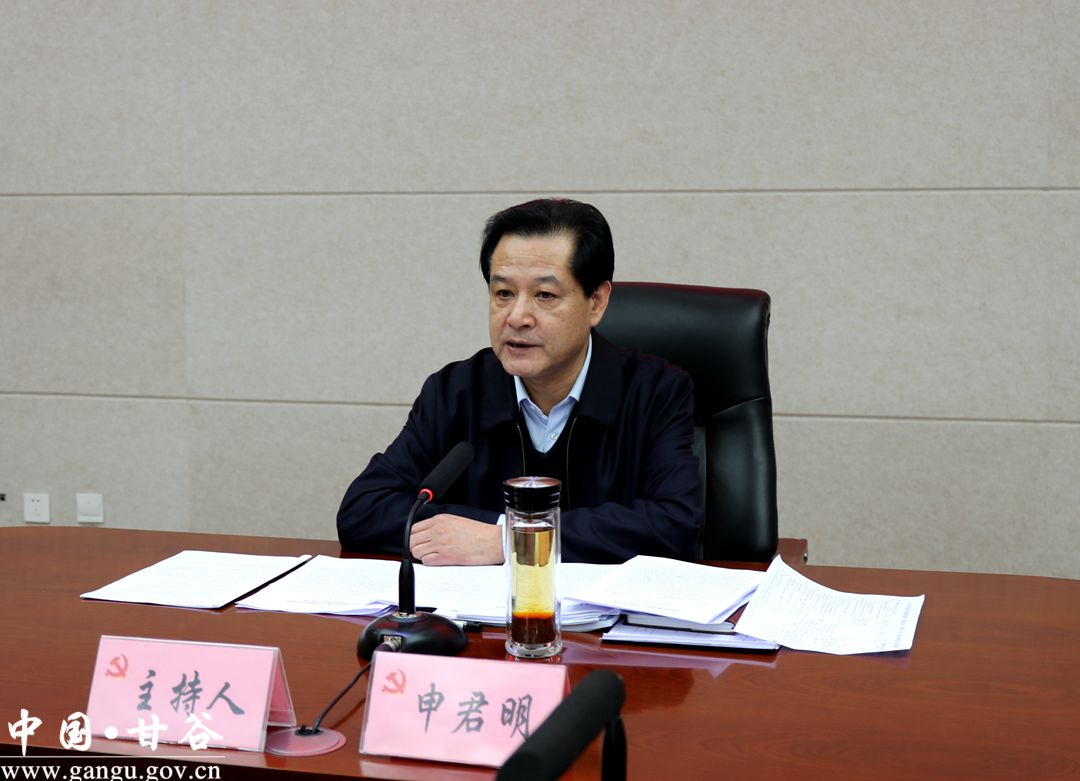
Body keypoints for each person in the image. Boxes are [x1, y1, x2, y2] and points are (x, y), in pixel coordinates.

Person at [337, 198, 703, 565]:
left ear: (596, 302)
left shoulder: (655, 391)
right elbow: (363, 510)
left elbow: (676, 525)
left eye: (545, 295)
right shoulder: (455, 391)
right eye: (503, 293)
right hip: (484, 603)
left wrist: (507, 539)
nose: (517, 317)